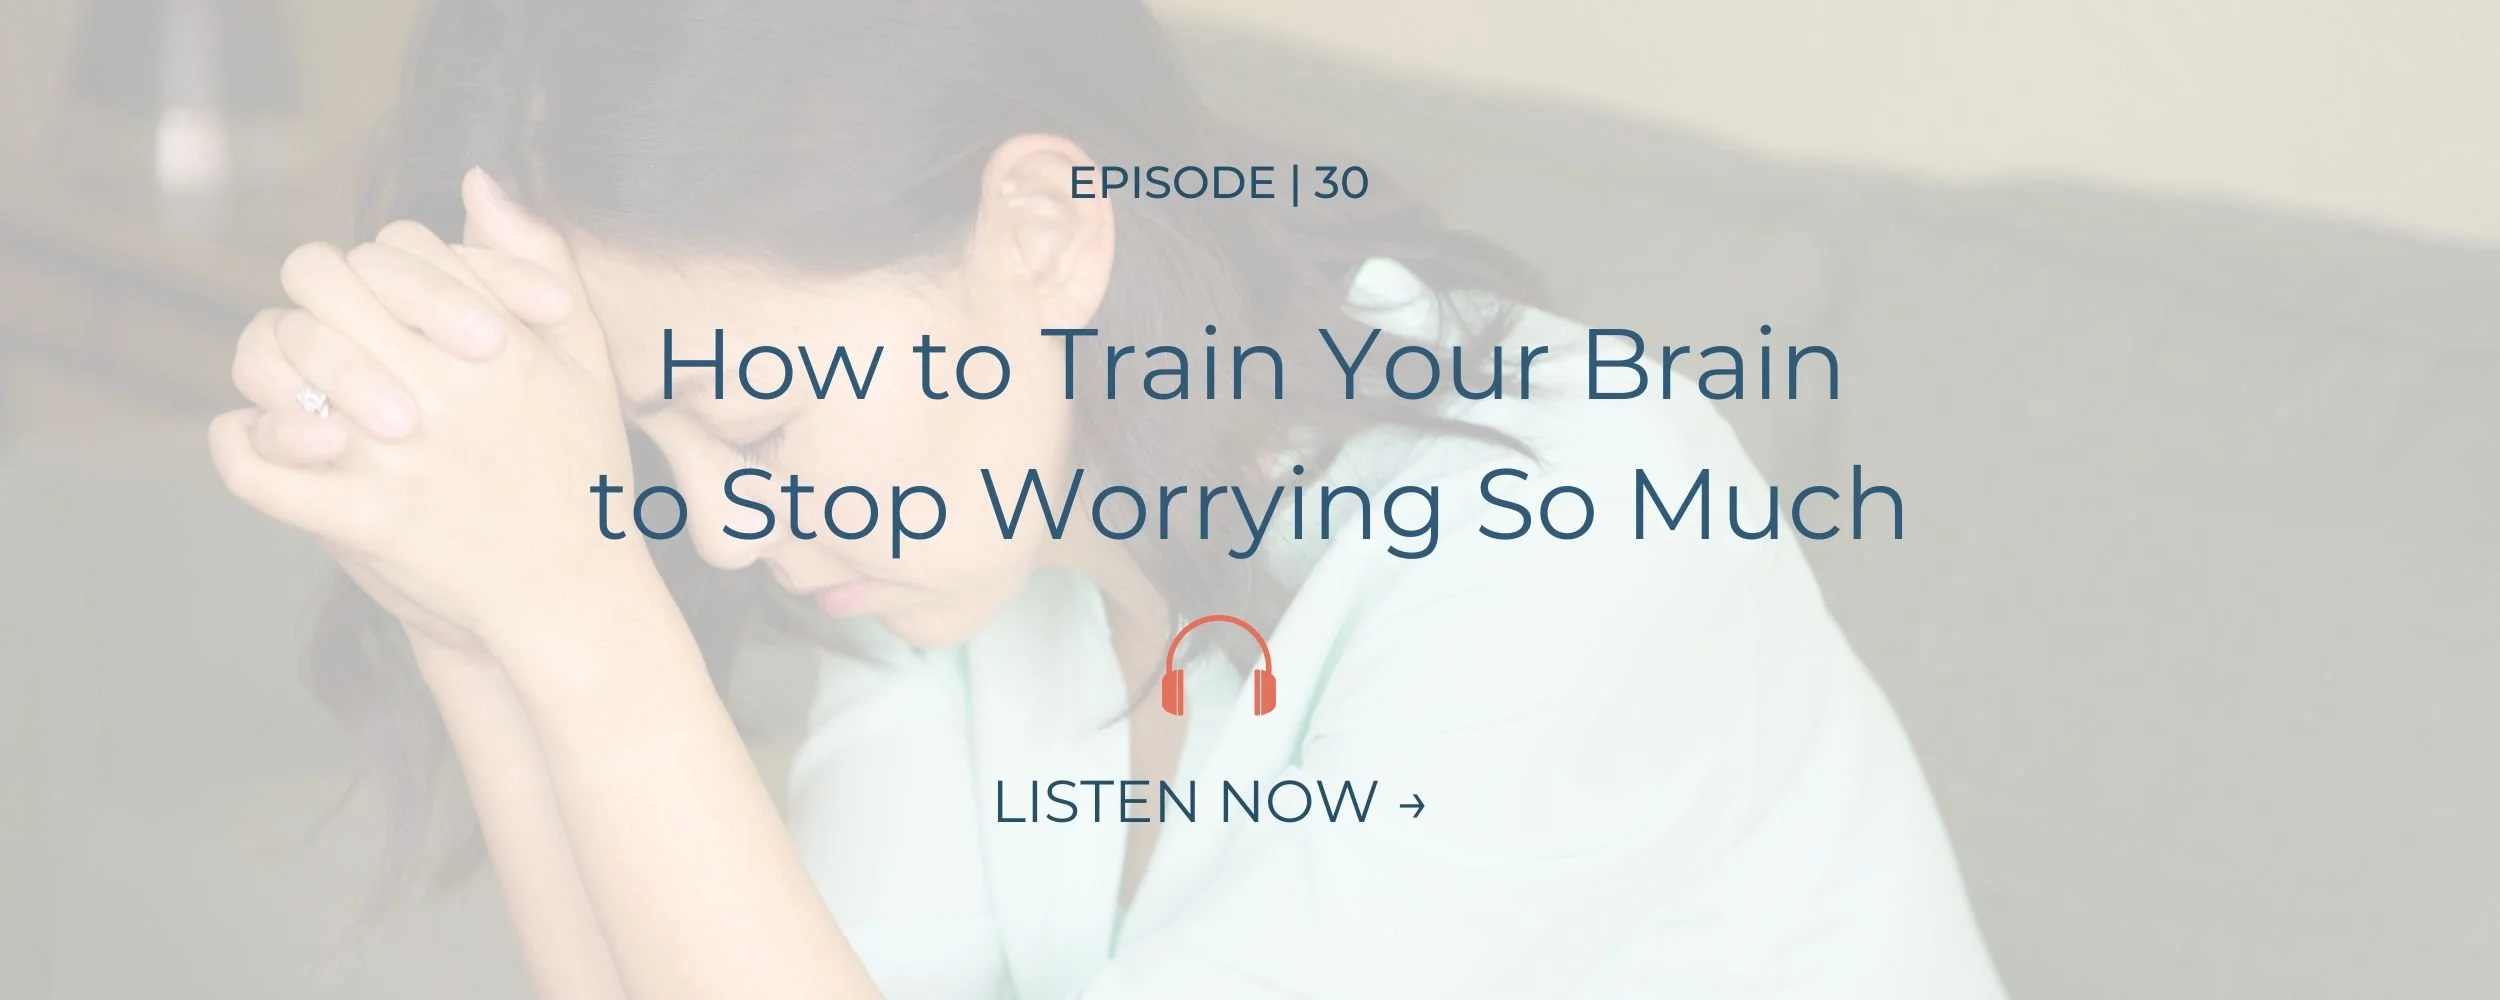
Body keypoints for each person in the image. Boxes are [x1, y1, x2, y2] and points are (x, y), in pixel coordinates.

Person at [210, 1, 2005, 996]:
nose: (725, 532)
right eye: (650, 459)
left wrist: (583, 628)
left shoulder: (1577, 529)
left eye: (751, 437)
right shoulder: (973, 561)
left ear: (1046, 230)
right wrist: (474, 630)